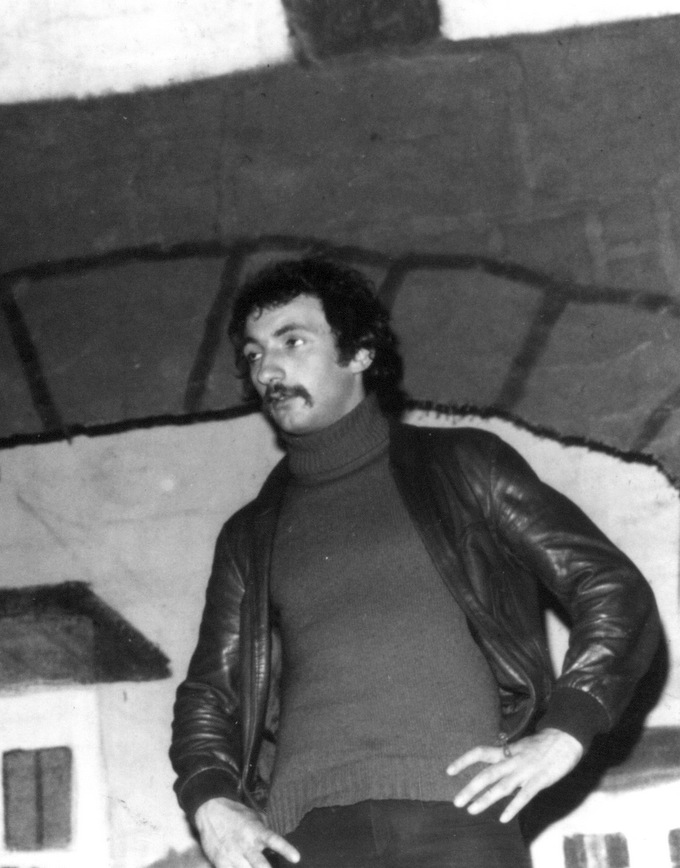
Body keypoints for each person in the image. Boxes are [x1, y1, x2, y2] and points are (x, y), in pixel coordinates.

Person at [169, 258, 662, 867]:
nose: (268, 369)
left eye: (291, 342)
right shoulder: (249, 535)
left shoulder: (464, 466)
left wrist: (568, 729)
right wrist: (209, 798)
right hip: (307, 840)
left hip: (461, 818)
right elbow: (209, 692)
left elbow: (610, 585)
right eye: (253, 354)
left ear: (359, 353)